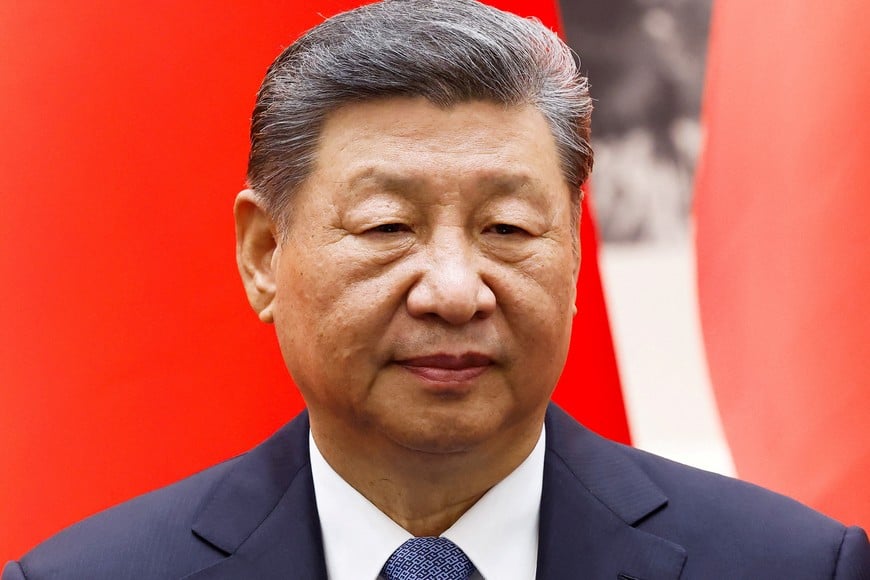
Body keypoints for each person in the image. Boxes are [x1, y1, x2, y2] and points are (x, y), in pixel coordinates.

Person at [4, 1, 868, 578]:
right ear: (266, 253)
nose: (455, 292)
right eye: (388, 227)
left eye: (508, 230)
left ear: (572, 253)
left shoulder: (789, 564)